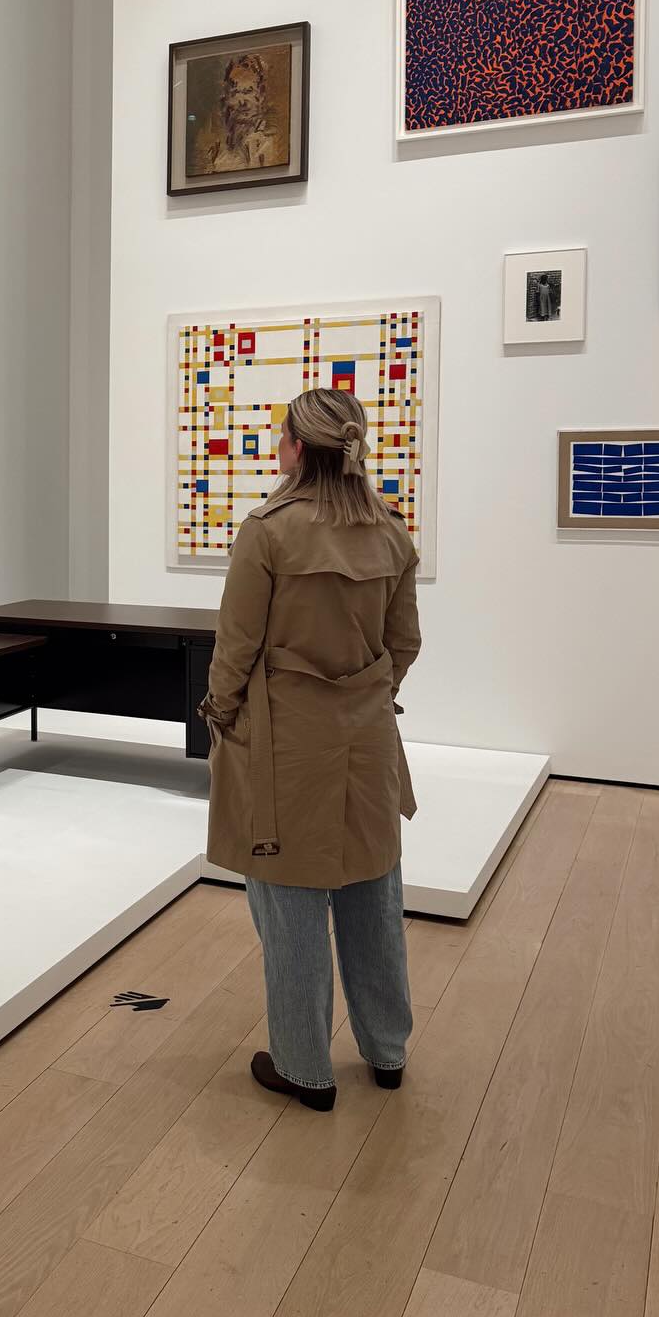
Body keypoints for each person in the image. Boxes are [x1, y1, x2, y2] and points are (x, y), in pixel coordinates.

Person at [200, 387, 421, 1112]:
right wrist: (368, 694)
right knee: (373, 890)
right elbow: (404, 643)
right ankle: (386, 1051)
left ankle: (304, 1067)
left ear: (297, 447)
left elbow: (236, 647)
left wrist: (219, 713)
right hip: (368, 736)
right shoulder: (390, 532)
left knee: (290, 899)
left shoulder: (267, 531)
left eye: (282, 435)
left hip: (285, 741)